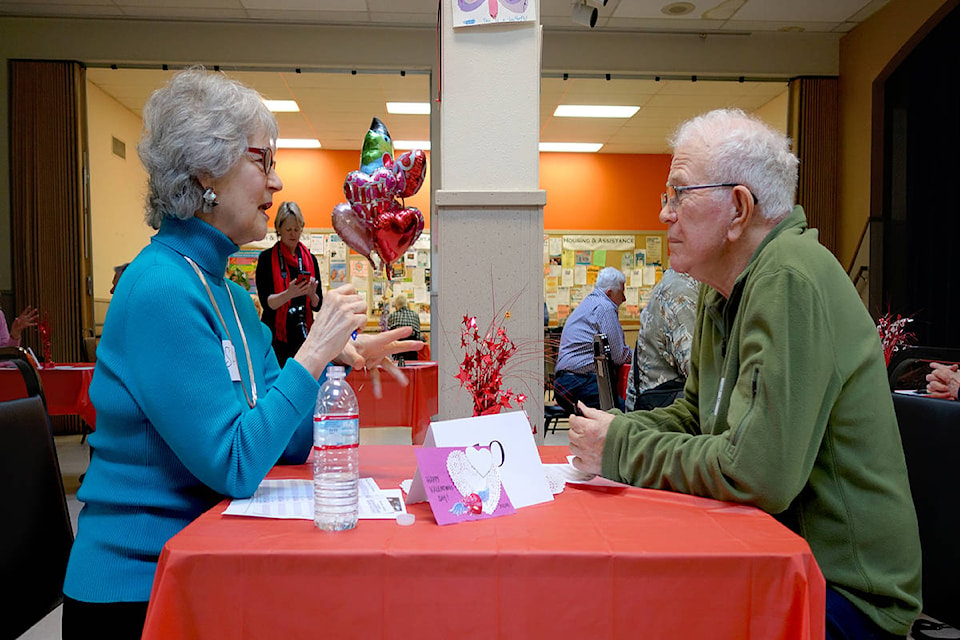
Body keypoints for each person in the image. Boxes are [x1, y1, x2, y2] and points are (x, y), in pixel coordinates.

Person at [61, 68, 422, 639]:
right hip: (139, 593)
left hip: (203, 564)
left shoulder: (227, 292)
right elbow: (236, 464)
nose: (277, 184)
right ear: (206, 169)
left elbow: (292, 443)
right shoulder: (159, 289)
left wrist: (334, 363)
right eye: (263, 162)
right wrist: (313, 354)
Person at [568, 109, 921, 639]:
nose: (665, 213)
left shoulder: (789, 277)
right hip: (779, 558)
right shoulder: (725, 289)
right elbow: (695, 416)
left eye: (679, 194)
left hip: (844, 594)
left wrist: (619, 447)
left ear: (738, 208)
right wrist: (613, 434)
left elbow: (756, 474)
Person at [553, 267, 632, 414]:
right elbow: (618, 355)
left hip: (564, 382)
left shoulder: (589, 304)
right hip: (580, 381)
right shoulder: (605, 307)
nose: (624, 299)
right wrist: (640, 357)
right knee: (623, 416)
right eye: (622, 292)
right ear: (609, 292)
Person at [255, 201, 322, 366]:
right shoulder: (266, 259)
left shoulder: (310, 260)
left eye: (297, 229)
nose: (293, 234)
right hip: (275, 336)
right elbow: (267, 302)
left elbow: (318, 305)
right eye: (288, 230)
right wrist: (288, 294)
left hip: (303, 334)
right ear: (279, 229)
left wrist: (312, 294)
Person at [624, 268, 698, 411]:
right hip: (657, 416)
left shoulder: (681, 282)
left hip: (660, 409)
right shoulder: (680, 292)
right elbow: (703, 381)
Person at [387, 294, 422, 362]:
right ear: (407, 304)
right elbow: (418, 334)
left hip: (398, 351)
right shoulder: (415, 315)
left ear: (396, 306)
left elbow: (389, 335)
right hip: (412, 352)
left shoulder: (392, 316)